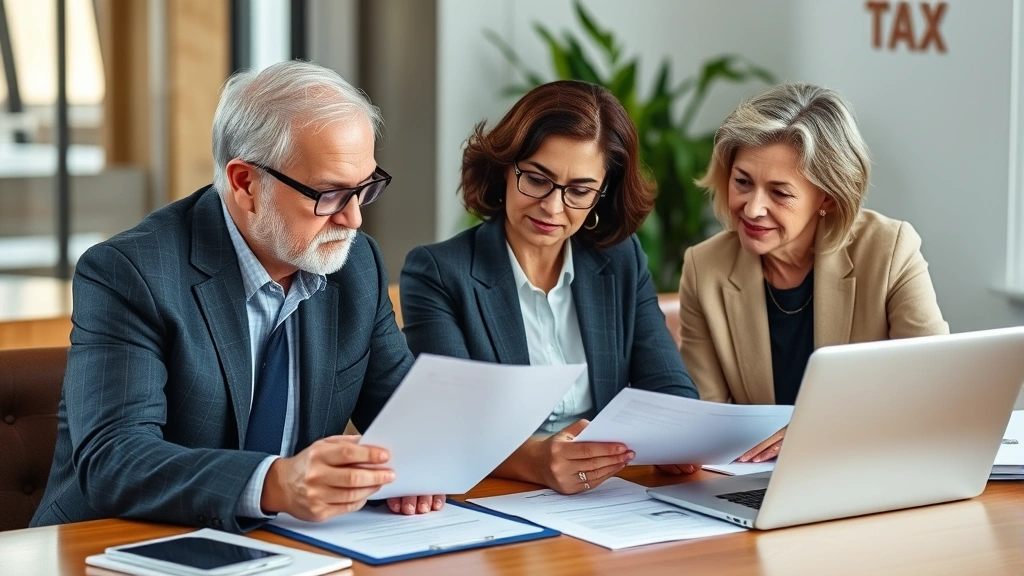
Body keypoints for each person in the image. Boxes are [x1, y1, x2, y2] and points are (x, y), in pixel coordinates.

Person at [30, 61, 442, 532]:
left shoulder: (355, 264)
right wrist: (275, 483)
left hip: (289, 545)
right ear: (246, 183)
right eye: (329, 194)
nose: (353, 220)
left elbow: (408, 414)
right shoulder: (132, 272)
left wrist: (422, 463)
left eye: (364, 189)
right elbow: (115, 458)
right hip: (120, 542)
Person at [400, 80, 700, 495]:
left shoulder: (619, 258)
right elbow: (449, 426)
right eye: (537, 179)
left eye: (579, 191)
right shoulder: (438, 272)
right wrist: (536, 461)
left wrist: (678, 438)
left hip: (606, 494)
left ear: (601, 195)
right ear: (505, 167)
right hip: (495, 496)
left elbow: (670, 390)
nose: (553, 207)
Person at [679, 82, 948, 462]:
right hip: (757, 482)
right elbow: (706, 417)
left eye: (779, 193)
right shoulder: (704, 267)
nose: (753, 208)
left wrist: (818, 434)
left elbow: (934, 387)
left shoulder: (889, 250)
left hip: (866, 465)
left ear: (828, 198)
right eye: (742, 182)